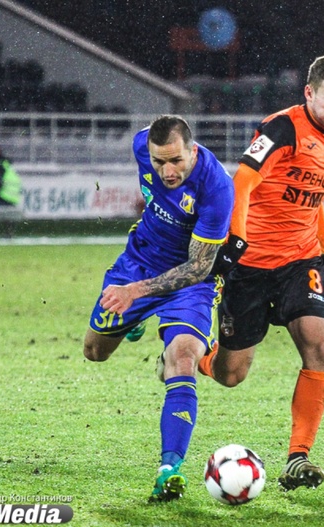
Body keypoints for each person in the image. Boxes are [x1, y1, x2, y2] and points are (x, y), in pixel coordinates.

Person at [198, 54, 324, 491]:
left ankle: (298, 458)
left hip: (300, 262)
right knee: (232, 374)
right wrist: (235, 240)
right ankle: (197, 357)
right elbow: (243, 182)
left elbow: (312, 202)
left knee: (319, 346)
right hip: (250, 267)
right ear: (309, 93)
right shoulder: (281, 128)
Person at [82, 115, 233, 502]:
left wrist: (135, 293)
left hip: (190, 282)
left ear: (192, 151)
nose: (168, 171)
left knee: (182, 359)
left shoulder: (216, 188)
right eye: (159, 162)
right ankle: (135, 323)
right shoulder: (140, 144)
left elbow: (198, 267)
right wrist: (133, 290)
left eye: (176, 161)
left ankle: (169, 469)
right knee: (95, 352)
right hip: (139, 262)